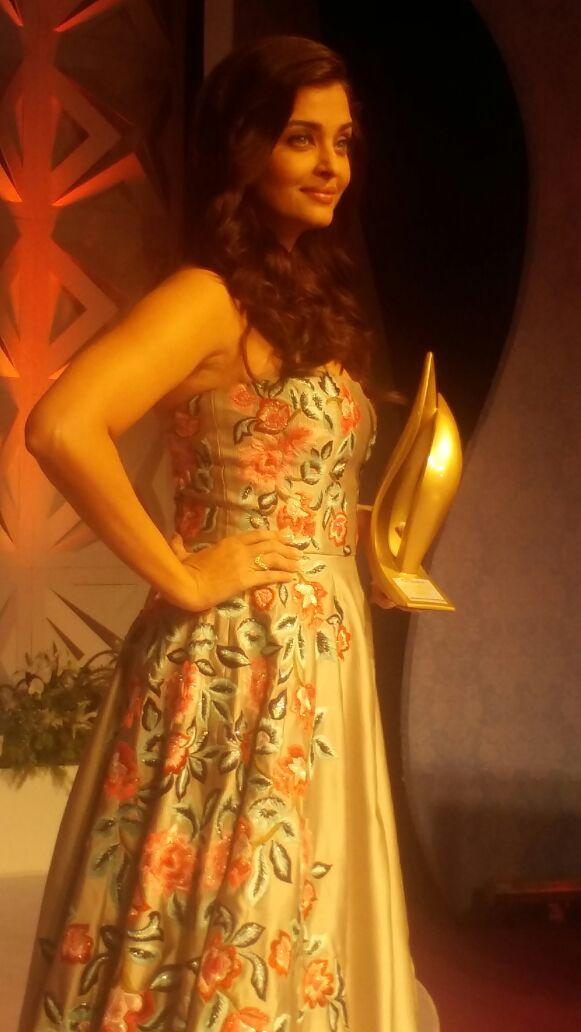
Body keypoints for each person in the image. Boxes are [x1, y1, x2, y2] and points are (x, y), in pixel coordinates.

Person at [18, 35, 439, 1032]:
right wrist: (183, 575)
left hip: (318, 653)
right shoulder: (207, 297)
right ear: (242, 149)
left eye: (342, 140)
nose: (332, 164)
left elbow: (292, 475)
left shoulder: (306, 298)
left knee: (292, 915)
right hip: (238, 658)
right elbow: (61, 425)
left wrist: (374, 546)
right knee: (225, 917)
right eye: (302, 139)